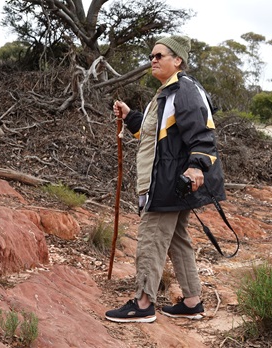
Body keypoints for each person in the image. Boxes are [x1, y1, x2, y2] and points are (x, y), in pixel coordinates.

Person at [105, 35, 225, 323]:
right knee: (177, 240)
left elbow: (202, 134)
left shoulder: (184, 90)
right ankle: (192, 301)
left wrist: (197, 166)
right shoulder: (165, 94)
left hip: (169, 182)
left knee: (151, 238)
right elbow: (153, 136)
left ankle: (143, 303)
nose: (153, 60)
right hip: (169, 180)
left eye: (160, 55)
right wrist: (130, 115)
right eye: (151, 56)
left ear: (178, 60)